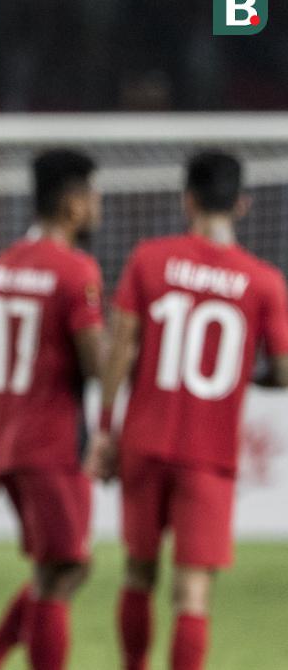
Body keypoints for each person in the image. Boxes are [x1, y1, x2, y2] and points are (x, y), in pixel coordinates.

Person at [86, 151, 288, 670]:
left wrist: (105, 430)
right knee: (192, 593)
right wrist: (253, 376)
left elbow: (121, 346)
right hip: (209, 454)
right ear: (242, 205)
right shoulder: (263, 282)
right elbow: (285, 370)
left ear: (188, 199)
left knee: (138, 573)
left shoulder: (150, 259)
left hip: (143, 441)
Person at [0, 150, 105, 670]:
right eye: (92, 195)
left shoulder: (0, 267)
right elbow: (95, 365)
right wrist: (136, 348)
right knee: (64, 570)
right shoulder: (75, 270)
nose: (98, 206)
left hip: (11, 441)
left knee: (59, 569)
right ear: (70, 202)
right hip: (53, 443)